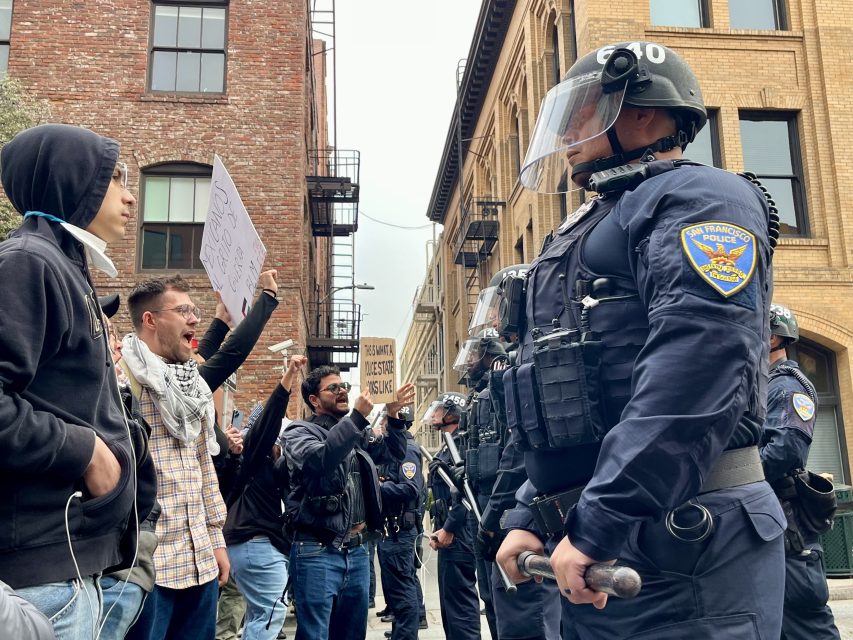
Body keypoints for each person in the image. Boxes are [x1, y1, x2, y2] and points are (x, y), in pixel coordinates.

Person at [496, 41, 783, 638]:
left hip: (684, 546)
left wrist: (598, 520)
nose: (571, 132)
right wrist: (532, 510)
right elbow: (572, 392)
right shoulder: (596, 219)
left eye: (582, 113)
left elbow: (699, 365)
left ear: (642, 112)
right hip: (603, 541)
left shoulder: (702, 198)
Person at [0, 123, 156, 639]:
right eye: (113, 177)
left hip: (68, 569)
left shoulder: (65, 266)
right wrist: (86, 451)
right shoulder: (27, 262)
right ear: (70, 180)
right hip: (40, 580)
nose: (131, 196)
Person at [122, 275, 230, 640]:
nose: (193, 319)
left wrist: (216, 541)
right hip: (147, 569)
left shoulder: (194, 387)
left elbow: (204, 468)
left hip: (199, 563)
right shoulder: (123, 382)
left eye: (194, 311)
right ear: (150, 320)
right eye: (183, 310)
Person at [283, 367, 414, 640]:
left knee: (352, 634)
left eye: (344, 386)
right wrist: (357, 418)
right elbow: (321, 460)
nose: (342, 390)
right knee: (315, 634)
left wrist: (393, 414)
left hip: (357, 552)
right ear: (314, 400)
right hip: (317, 549)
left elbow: (393, 452)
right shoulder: (298, 432)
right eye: (333, 388)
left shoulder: (358, 434)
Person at [762, 304, 840, 640]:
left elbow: (784, 451)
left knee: (805, 626)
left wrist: (732, 478)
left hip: (788, 532)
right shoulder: (763, 385)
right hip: (768, 525)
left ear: (773, 337)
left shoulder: (788, 388)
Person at [224, 355, 307, 640]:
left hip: (256, 544)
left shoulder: (269, 462)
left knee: (262, 614)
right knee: (272, 611)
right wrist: (287, 379)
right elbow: (268, 420)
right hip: (254, 542)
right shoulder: (253, 454)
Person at [425, 392, 481, 640]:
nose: (434, 414)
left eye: (438, 409)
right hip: (450, 534)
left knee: (460, 607)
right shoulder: (449, 444)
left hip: (459, 534)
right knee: (450, 605)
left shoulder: (461, 445)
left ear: (450, 414)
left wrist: (448, 528)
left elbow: (465, 495)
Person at [375, 404, 424, 640]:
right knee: (396, 596)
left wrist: (378, 488)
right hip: (389, 533)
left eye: (387, 420)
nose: (383, 425)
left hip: (400, 533)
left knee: (404, 599)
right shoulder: (392, 449)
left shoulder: (407, 450)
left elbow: (410, 488)